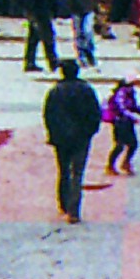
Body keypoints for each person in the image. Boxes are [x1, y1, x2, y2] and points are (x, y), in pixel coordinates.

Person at [41, 58, 102, 224]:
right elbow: (95, 113)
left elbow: (48, 115)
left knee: (63, 171)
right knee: (77, 173)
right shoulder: (86, 90)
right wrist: (90, 132)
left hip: (61, 138)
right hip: (81, 137)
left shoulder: (55, 91)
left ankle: (63, 203)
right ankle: (74, 210)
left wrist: (53, 134)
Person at [101, 76, 140, 176]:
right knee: (120, 145)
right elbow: (121, 108)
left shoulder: (130, 93)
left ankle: (125, 163)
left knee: (133, 144)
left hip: (127, 122)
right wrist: (133, 117)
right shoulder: (121, 93)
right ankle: (110, 166)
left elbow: (133, 107)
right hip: (120, 122)